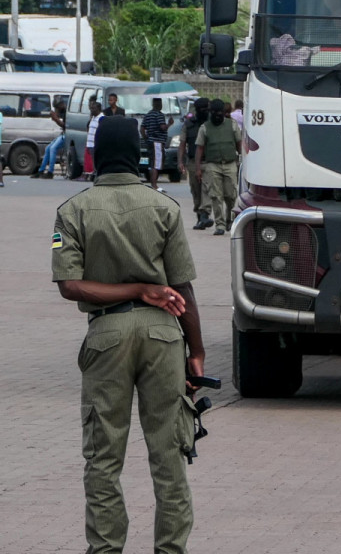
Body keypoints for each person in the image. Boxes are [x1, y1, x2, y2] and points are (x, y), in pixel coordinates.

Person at [51, 115, 205, 554]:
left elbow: (71, 286)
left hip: (107, 334)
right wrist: (196, 352)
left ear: (97, 156)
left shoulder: (73, 210)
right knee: (169, 453)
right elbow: (185, 289)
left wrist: (130, 291)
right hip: (163, 335)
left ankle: (105, 550)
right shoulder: (165, 208)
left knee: (103, 457)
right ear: (138, 154)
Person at [194, 97, 241, 237]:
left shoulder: (232, 125)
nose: (218, 115)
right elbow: (200, 149)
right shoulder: (205, 128)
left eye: (220, 112)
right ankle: (219, 224)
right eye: (215, 112)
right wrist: (198, 168)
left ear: (224, 112)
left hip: (230, 164)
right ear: (211, 112)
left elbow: (239, 144)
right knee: (216, 196)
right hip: (212, 165)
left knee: (231, 195)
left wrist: (245, 161)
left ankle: (229, 220)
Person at [182, 99, 210, 229]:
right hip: (193, 162)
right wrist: (181, 161)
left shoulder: (212, 123)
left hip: (209, 161)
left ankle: (205, 215)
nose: (206, 110)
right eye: (203, 108)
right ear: (197, 109)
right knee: (196, 191)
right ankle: (200, 217)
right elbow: (182, 144)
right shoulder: (188, 124)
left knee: (207, 189)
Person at [141, 98, 169, 186]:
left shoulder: (148, 115)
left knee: (152, 162)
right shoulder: (159, 115)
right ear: (157, 104)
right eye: (160, 103)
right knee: (156, 164)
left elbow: (142, 129)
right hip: (157, 142)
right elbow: (163, 127)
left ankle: (153, 183)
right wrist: (170, 124)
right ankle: (154, 184)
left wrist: (146, 138)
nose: (161, 105)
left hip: (150, 141)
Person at [39, 101, 68, 178]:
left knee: (53, 148)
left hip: (67, 135)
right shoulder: (64, 111)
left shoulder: (67, 113)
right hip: (64, 134)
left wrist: (56, 119)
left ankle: (50, 172)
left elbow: (66, 126)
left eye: (57, 108)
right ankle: (41, 170)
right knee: (48, 148)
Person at [84, 99, 104, 178]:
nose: (91, 110)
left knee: (96, 160)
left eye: (93, 108)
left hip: (95, 144)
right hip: (90, 144)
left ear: (98, 109)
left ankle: (97, 175)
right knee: (93, 161)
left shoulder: (101, 118)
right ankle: (94, 173)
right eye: (91, 108)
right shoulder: (93, 118)